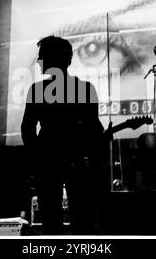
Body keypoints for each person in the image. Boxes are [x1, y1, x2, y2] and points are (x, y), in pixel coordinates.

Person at [21, 36, 108, 235]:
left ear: (53, 60)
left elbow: (27, 131)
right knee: (81, 222)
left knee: (51, 223)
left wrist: (38, 159)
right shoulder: (85, 89)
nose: (38, 61)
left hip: (48, 165)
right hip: (76, 163)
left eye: (42, 56)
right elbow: (94, 130)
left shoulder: (37, 91)